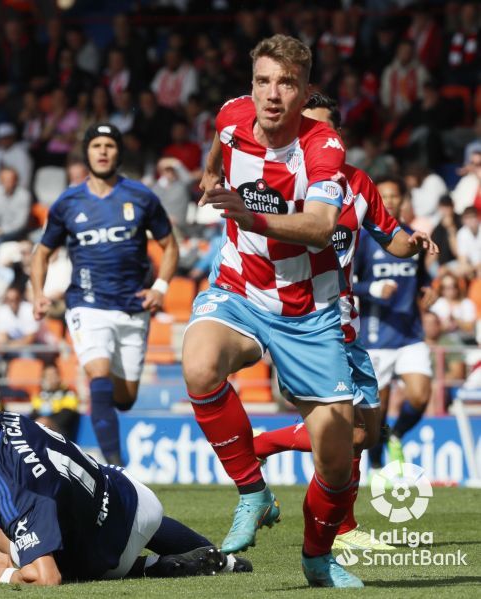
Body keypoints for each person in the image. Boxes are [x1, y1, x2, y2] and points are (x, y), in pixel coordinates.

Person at [186, 35, 361, 587]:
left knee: (337, 458)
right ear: (251, 84)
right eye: (263, 80)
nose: (272, 93)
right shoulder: (232, 118)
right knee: (198, 363)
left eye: (286, 83)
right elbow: (216, 151)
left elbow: (320, 226)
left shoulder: (322, 146)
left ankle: (316, 556)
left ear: (305, 90)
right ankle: (253, 492)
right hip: (240, 288)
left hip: (310, 311)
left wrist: (250, 216)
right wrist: (211, 177)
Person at [248, 94, 437, 553]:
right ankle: (342, 533)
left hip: (347, 320)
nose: (316, 138)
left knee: (363, 435)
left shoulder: (357, 184)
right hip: (304, 324)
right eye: (306, 128)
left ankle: (264, 444)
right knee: (340, 430)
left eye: (324, 131)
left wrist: (413, 244)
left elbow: (390, 237)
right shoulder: (275, 182)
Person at [0, 371, 250, 586]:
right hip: (132, 496)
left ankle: (152, 568)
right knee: (11, 532)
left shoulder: (19, 482)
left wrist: (5, 574)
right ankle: (220, 559)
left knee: (5, 545)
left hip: (111, 549)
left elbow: (48, 579)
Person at [31, 122, 179, 466]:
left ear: (118, 153)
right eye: (95, 145)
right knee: (97, 374)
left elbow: (170, 246)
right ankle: (115, 468)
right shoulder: (68, 202)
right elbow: (41, 252)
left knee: (124, 398)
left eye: (109, 146)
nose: (102, 151)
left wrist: (160, 288)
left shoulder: (141, 197)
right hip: (87, 303)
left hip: (133, 306)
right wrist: (38, 294)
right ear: (86, 152)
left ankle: (110, 434)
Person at [352, 175, 438, 472]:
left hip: (409, 333)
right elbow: (348, 283)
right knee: (377, 413)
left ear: (403, 200)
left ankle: (397, 436)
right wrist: (372, 289)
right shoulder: (364, 239)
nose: (389, 201)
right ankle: (376, 470)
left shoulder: (413, 236)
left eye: (394, 196)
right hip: (376, 336)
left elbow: (421, 279)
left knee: (420, 394)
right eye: (383, 196)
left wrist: (429, 289)